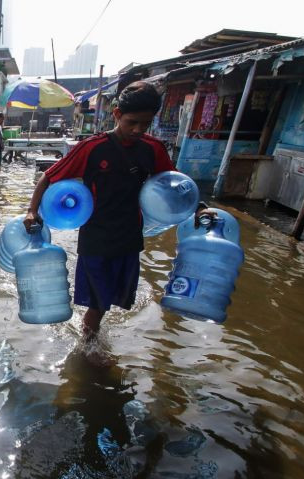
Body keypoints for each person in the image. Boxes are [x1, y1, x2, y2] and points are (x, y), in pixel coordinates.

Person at [23, 81, 210, 356]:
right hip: (96, 236)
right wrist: (32, 211)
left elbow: (175, 186)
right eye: (132, 122)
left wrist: (200, 208)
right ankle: (88, 349)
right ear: (117, 114)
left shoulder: (153, 149)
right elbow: (48, 177)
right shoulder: (92, 148)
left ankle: (91, 339)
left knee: (114, 298)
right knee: (98, 302)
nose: (138, 130)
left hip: (129, 236)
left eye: (145, 124)